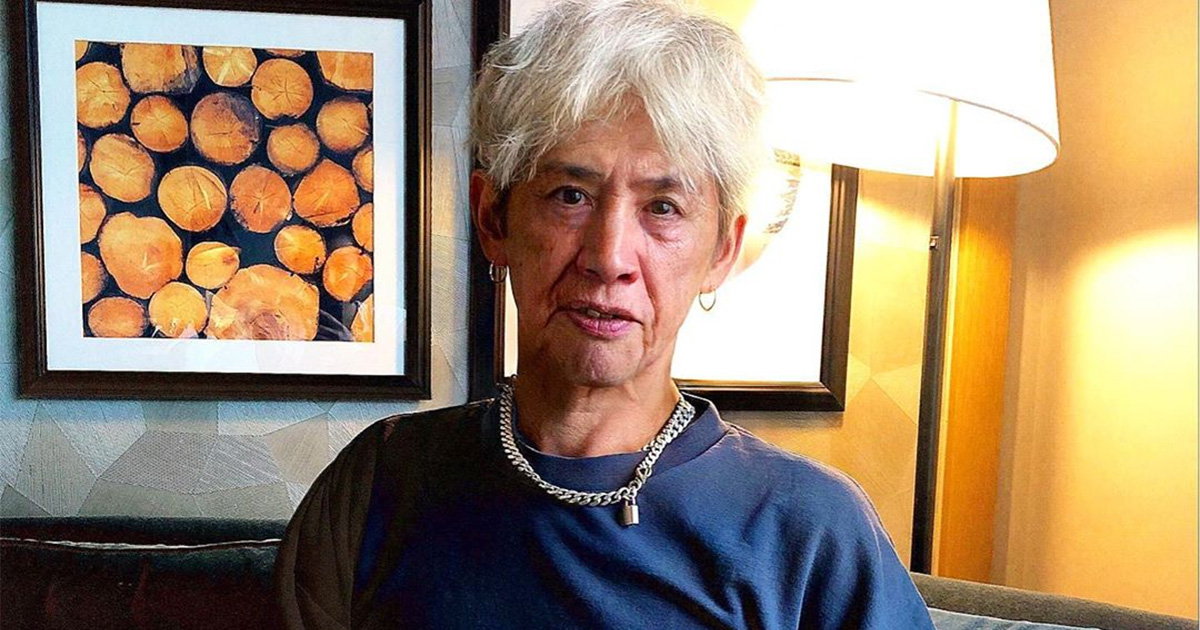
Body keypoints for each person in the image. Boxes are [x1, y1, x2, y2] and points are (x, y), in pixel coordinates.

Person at [274, 0, 936, 628]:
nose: (608, 256)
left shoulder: (810, 531)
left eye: (663, 208)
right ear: (493, 219)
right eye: (570, 195)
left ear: (722, 251)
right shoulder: (379, 485)